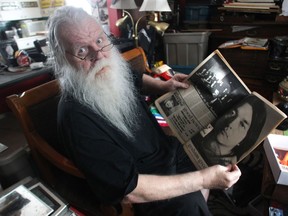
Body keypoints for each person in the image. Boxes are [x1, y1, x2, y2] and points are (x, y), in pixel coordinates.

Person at [47, 6, 241, 216]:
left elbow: (134, 77)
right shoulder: (75, 118)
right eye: (82, 51)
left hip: (165, 150)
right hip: (142, 180)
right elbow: (129, 190)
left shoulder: (105, 69)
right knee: (190, 204)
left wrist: (163, 86)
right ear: (61, 59)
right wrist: (203, 180)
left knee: (212, 151)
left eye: (100, 41)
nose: (99, 55)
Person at [192, 95, 267, 166]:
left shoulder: (224, 167)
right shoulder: (202, 137)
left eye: (242, 124)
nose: (231, 123)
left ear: (246, 138)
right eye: (232, 112)